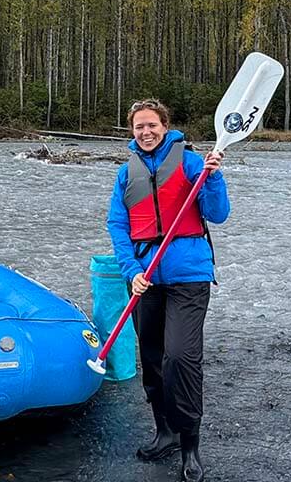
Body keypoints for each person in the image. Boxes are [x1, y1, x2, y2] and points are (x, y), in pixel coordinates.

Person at [106, 98, 229, 482]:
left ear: (165, 126)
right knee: (154, 358)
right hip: (146, 278)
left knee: (181, 358)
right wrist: (131, 270)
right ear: (132, 131)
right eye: (138, 127)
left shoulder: (191, 161)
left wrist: (213, 177)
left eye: (152, 125)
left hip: (189, 276)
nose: (145, 132)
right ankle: (166, 432)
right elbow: (117, 225)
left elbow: (218, 213)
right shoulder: (127, 173)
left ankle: (190, 445)